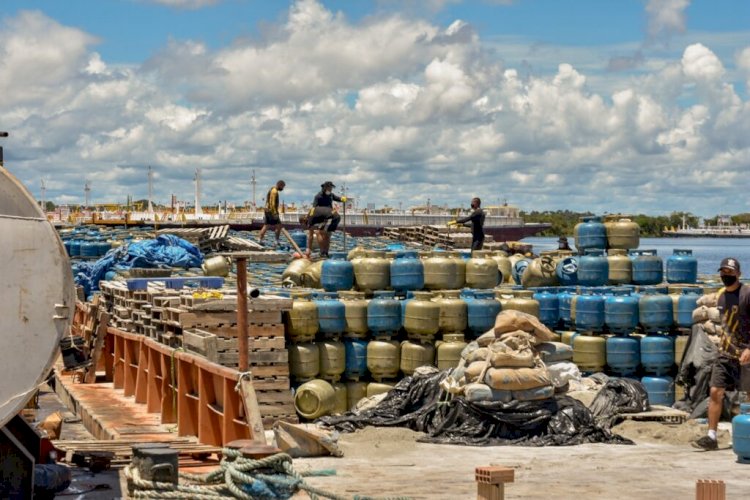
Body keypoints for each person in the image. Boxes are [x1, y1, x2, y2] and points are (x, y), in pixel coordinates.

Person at [692, 257, 750, 450]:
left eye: (730, 272)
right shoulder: (721, 296)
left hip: (745, 355)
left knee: (747, 397)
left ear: (738, 274)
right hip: (724, 354)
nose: (726, 275)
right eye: (723, 272)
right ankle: (712, 435)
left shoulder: (747, 294)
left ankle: (745, 436)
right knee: (716, 391)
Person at [306, 181, 346, 258]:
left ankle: (325, 252)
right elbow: (314, 208)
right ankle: (322, 251)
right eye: (329, 188)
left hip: (329, 215)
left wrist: (342, 199)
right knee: (320, 233)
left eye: (331, 188)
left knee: (327, 234)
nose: (331, 189)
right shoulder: (318, 196)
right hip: (321, 217)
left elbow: (337, 198)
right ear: (324, 187)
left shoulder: (331, 195)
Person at [258, 180, 285, 246]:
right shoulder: (275, 192)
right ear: (280, 185)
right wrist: (275, 213)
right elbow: (272, 203)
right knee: (279, 226)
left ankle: (260, 240)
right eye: (283, 187)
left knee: (266, 225)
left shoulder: (271, 189)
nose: (283, 188)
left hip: (267, 210)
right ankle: (276, 240)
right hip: (272, 211)